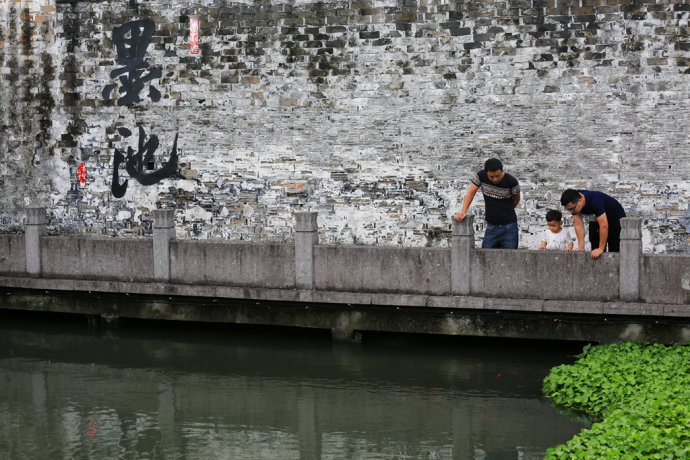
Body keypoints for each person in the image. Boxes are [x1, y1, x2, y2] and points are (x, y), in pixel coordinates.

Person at [454, 158, 521, 249]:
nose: (495, 179)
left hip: (510, 228)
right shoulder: (481, 176)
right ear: (486, 173)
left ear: (502, 171)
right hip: (491, 226)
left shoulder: (511, 181)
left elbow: (516, 199)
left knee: (510, 258)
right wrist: (463, 211)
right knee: (485, 257)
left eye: (497, 175)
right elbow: (471, 193)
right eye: (491, 177)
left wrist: (506, 210)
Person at [560, 189, 626, 259]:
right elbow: (578, 224)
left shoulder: (595, 201)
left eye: (572, 208)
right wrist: (581, 247)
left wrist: (600, 249)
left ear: (580, 201)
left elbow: (604, 225)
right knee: (595, 250)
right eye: (568, 209)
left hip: (615, 219)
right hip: (596, 219)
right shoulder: (575, 200)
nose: (571, 212)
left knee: (613, 249)